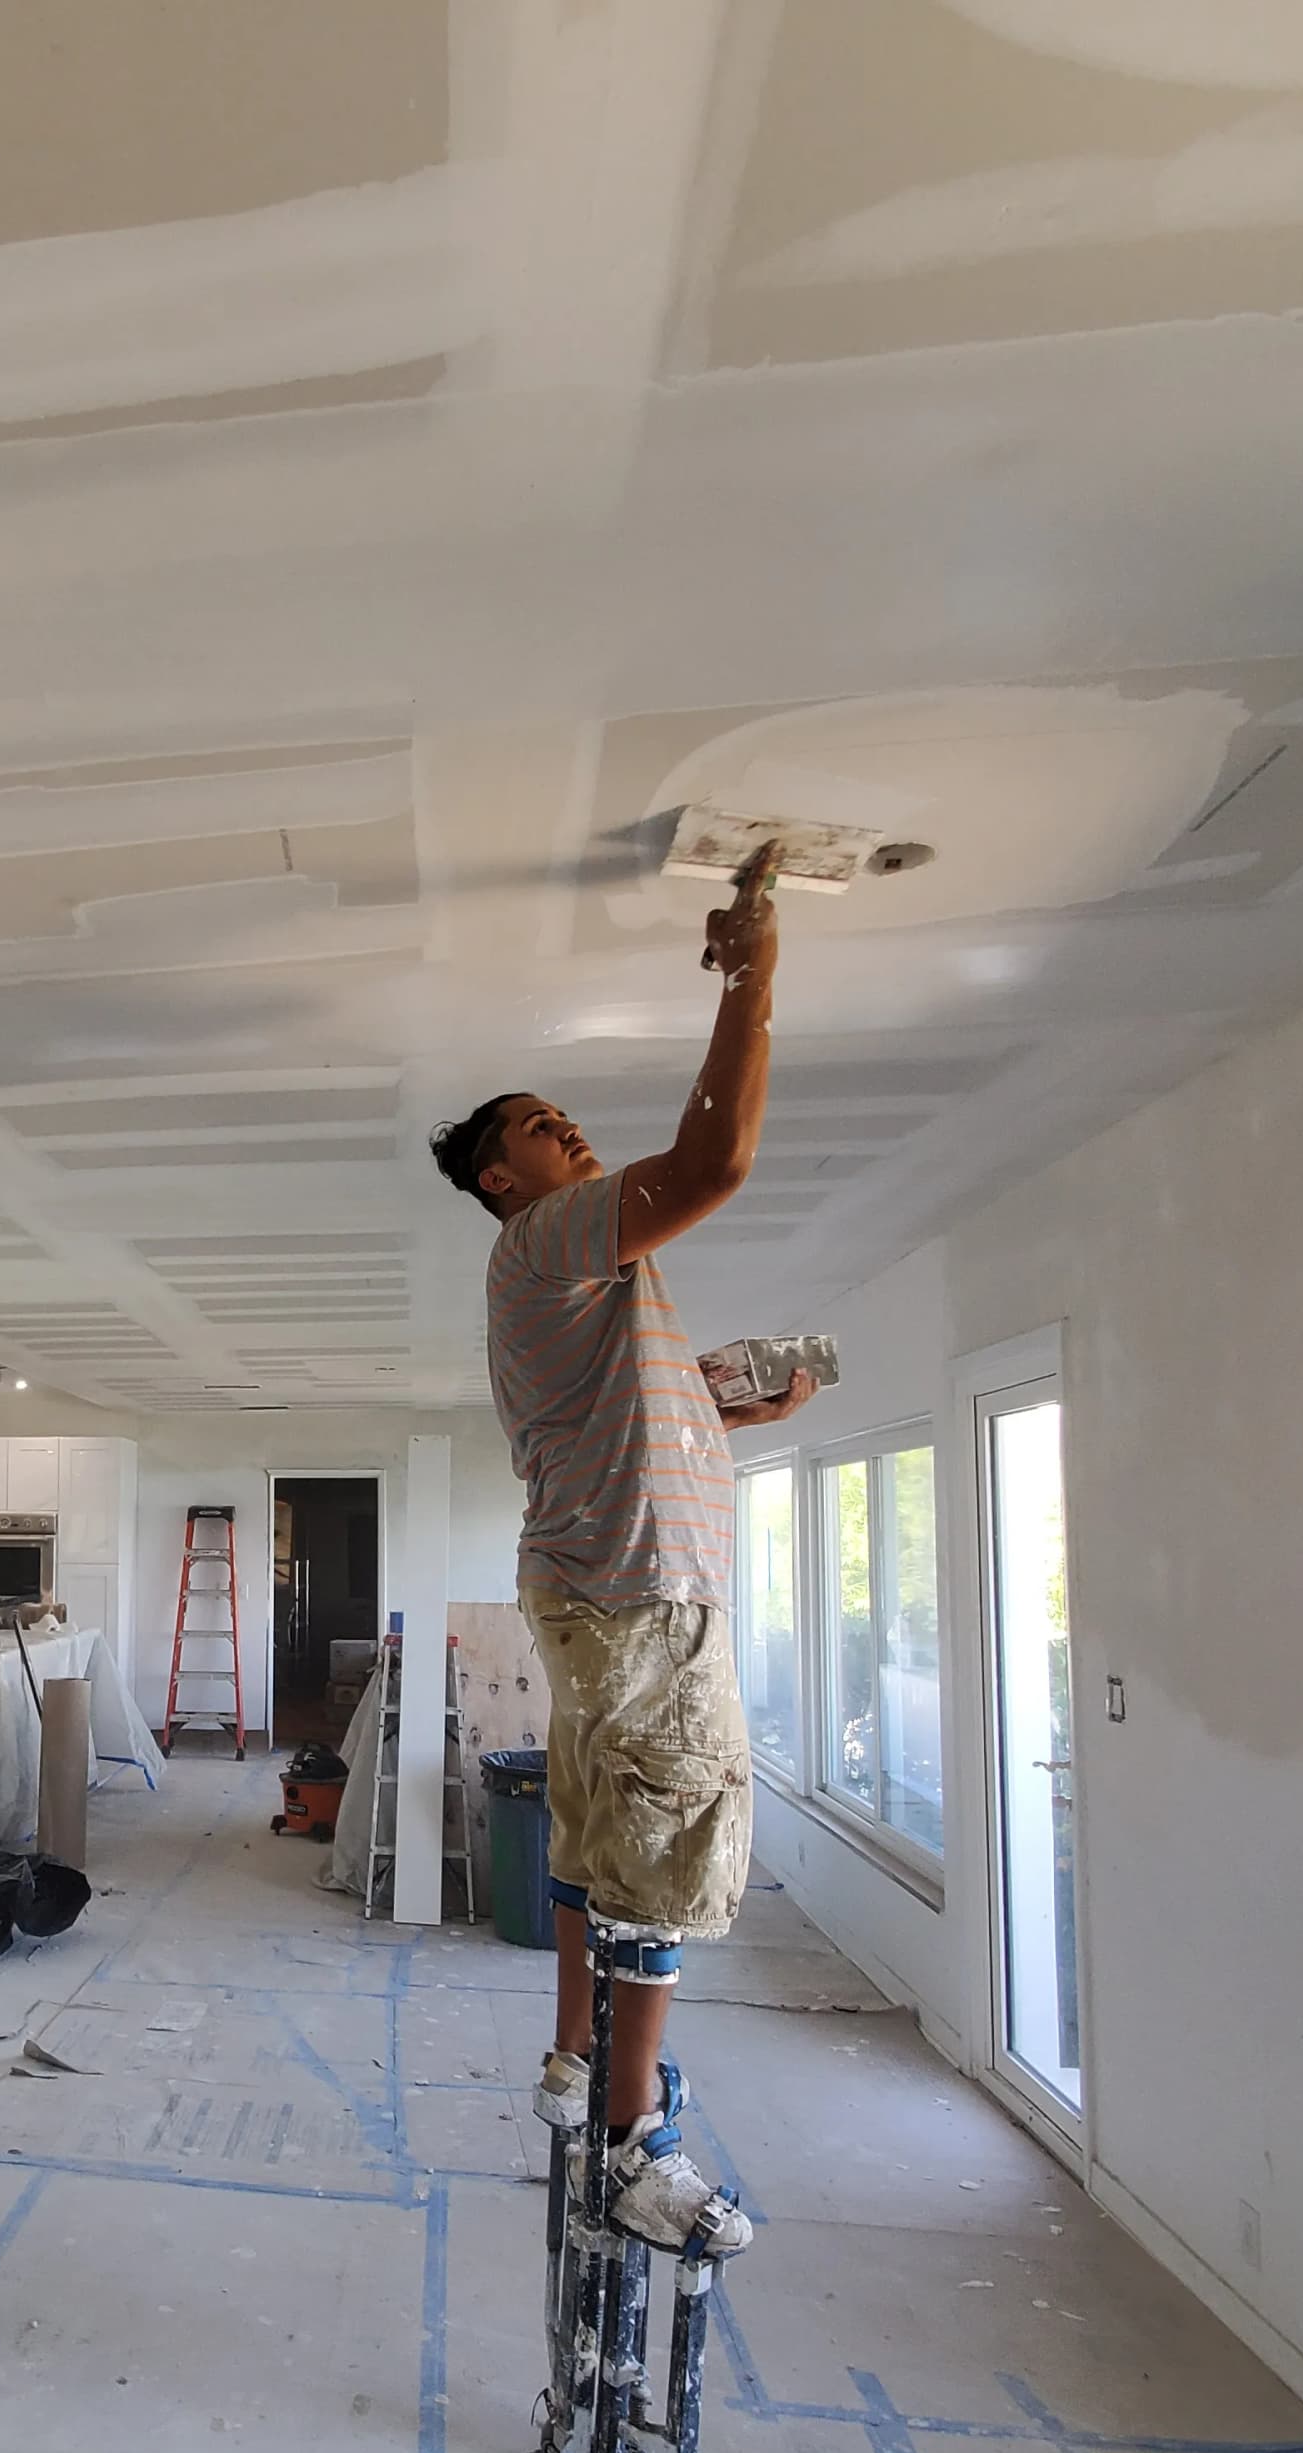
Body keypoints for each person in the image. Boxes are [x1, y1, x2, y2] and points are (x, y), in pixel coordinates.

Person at [428, 845, 819, 2256]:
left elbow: (639, 1406)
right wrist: (753, 974)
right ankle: (636, 2140)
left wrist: (736, 1398)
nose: (570, 1131)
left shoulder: (576, 1287)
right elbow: (715, 1160)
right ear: (499, 1172)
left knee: (604, 1839)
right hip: (646, 1594)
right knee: (666, 1844)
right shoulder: (542, 1242)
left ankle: (579, 2067)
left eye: (564, 1116)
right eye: (542, 1123)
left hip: (611, 1584)